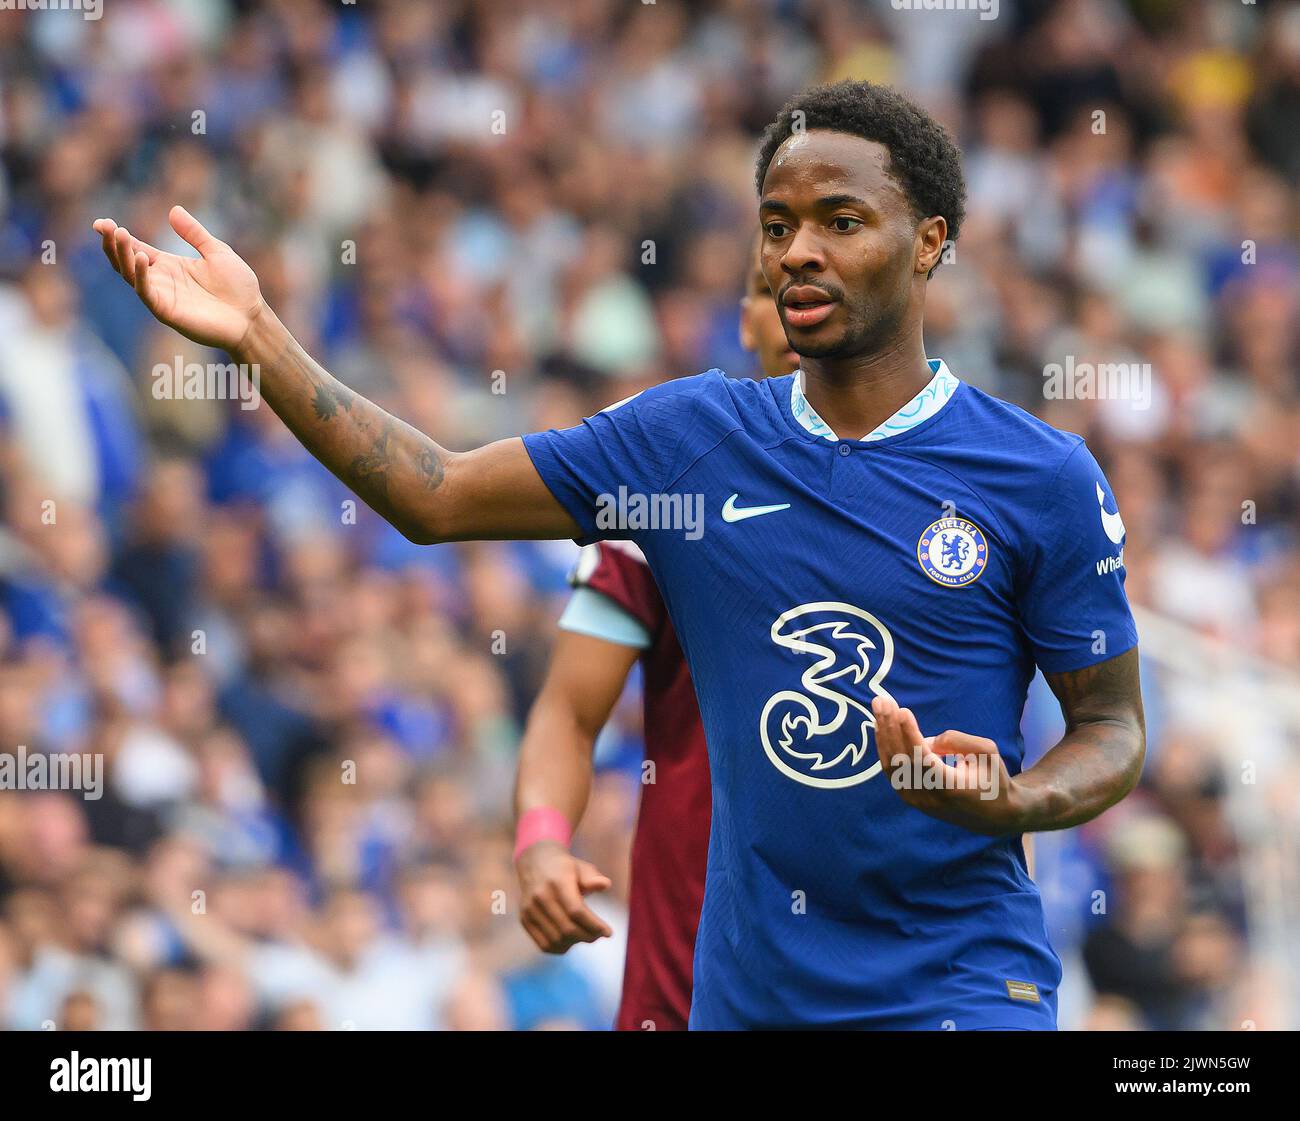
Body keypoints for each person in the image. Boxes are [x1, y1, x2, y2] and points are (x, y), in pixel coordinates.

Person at [91, 79, 1145, 1030]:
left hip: (959, 987)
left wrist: (1014, 799)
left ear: (927, 241)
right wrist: (260, 335)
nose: (798, 253)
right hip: (747, 996)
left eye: (839, 221)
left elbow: (1109, 726)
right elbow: (434, 495)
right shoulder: (691, 443)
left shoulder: (1037, 476)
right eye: (777, 226)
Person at [512, 242, 798, 1032]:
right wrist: (541, 839)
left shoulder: (934, 493)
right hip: (686, 971)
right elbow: (569, 712)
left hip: (879, 973)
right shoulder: (666, 481)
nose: (800, 299)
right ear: (742, 320)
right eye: (772, 288)